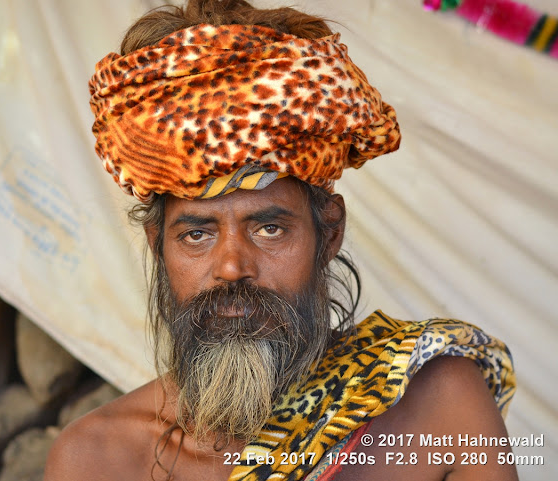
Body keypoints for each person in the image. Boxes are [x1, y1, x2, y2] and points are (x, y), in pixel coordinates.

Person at [44, 1, 517, 480]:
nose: (232, 266)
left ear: (329, 233)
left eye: (269, 228)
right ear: (157, 246)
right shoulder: (96, 459)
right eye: (197, 234)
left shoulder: (439, 406)